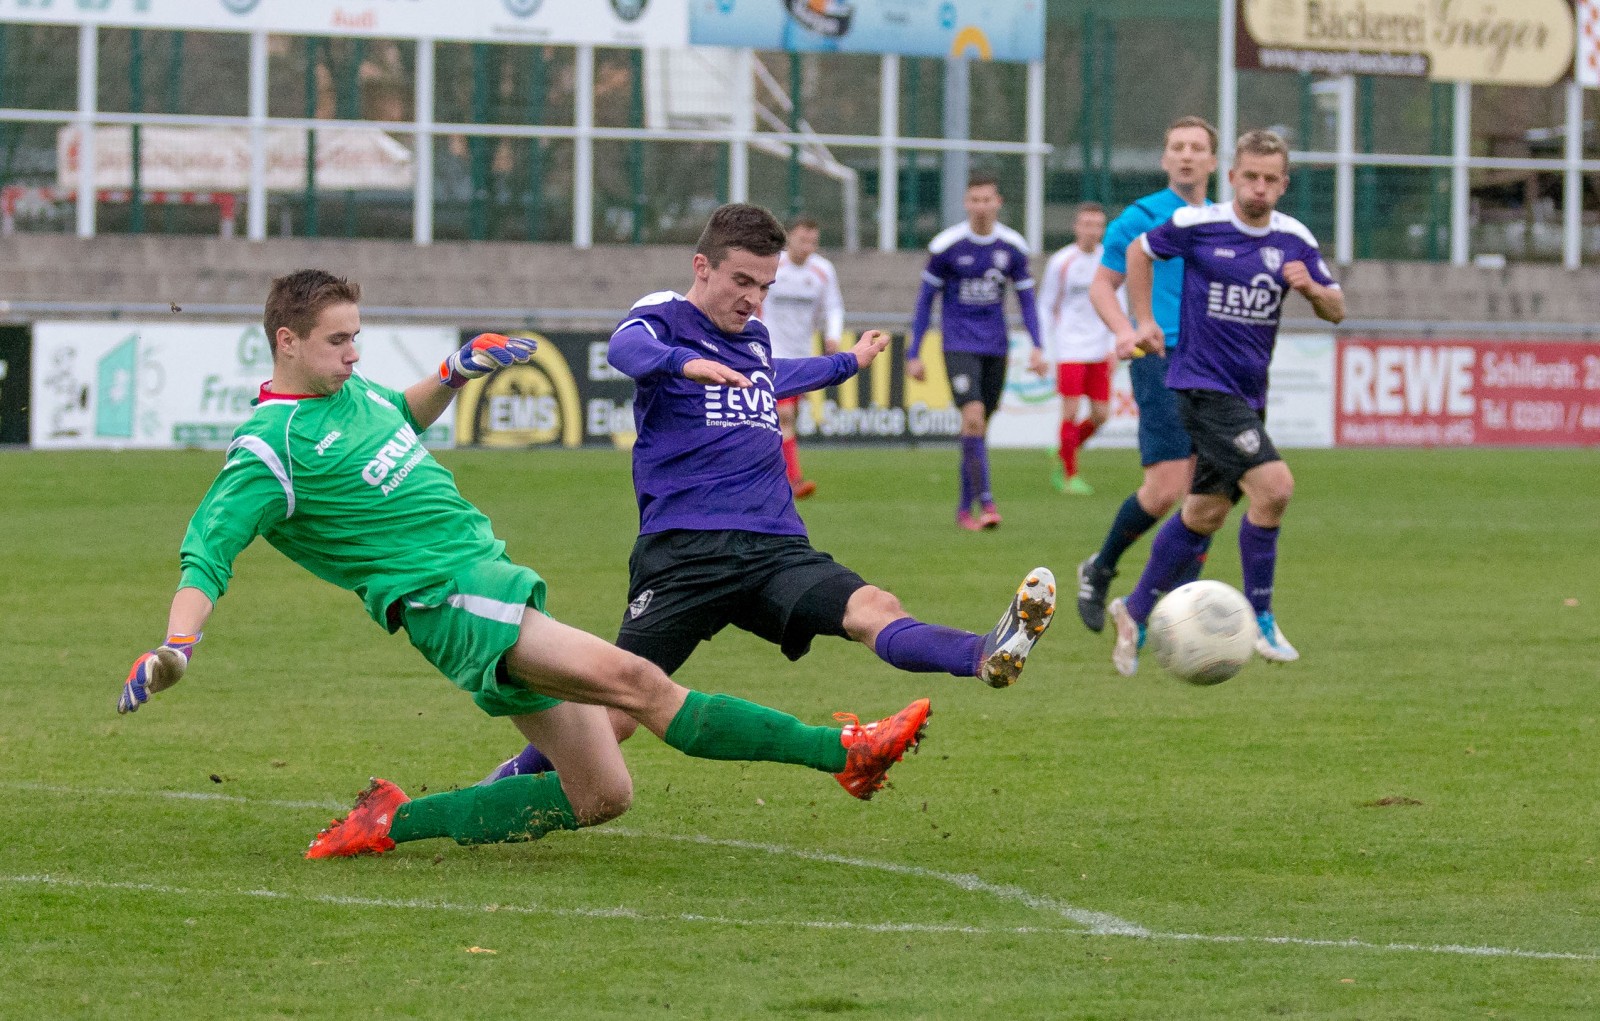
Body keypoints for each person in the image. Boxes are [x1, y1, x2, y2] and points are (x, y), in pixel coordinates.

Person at [116, 269, 936, 861]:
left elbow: (400, 416)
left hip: (488, 577)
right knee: (642, 684)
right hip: (452, 600)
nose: (354, 354)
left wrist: (453, 373)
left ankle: (389, 821)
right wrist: (176, 647)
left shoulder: (349, 395)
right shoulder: (267, 451)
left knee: (601, 796)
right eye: (337, 341)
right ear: (286, 342)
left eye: (358, 338)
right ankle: (846, 752)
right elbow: (207, 550)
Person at [481, 204, 1056, 785]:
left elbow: (775, 375)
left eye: (765, 286)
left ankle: (985, 654)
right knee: (618, 712)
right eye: (742, 282)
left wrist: (846, 362)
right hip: (687, 551)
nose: (754, 300)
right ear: (702, 266)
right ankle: (501, 784)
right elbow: (624, 351)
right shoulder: (664, 316)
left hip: (774, 545)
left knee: (875, 608)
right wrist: (688, 365)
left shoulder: (752, 338)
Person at [1108, 129, 1345, 676]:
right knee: (1276, 487)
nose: (1259, 188)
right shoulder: (1199, 224)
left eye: (1270, 180)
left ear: (1283, 185)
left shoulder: (1294, 239)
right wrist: (1143, 321)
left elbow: (1337, 309)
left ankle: (1135, 609)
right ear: (1233, 176)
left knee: (1206, 511)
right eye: (1250, 177)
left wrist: (1310, 289)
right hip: (1198, 384)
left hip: (1246, 395)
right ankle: (1260, 615)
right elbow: (1138, 252)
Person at [1074, 116, 1219, 632]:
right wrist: (1125, 329)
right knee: (1163, 490)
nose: (1186, 155)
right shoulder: (1139, 217)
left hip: (1216, 364)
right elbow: (1101, 286)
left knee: (1210, 490)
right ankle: (1101, 566)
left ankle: (1178, 598)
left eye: (1196, 148)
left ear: (1213, 162)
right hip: (1160, 358)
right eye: (1176, 146)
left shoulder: (1225, 220)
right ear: (1164, 160)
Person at [907, 172, 1047, 531]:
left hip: (996, 346)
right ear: (966, 203)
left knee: (978, 429)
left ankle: (962, 510)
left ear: (998, 202)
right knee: (972, 418)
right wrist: (914, 351)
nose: (981, 207)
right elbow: (925, 303)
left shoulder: (1012, 247)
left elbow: (1027, 301)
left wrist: (1037, 346)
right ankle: (986, 503)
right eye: (975, 200)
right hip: (957, 344)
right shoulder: (946, 246)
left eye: (988, 200)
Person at [759, 214, 845, 500]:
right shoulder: (773, 265)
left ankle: (769, 476)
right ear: (789, 237)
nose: (807, 245)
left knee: (785, 419)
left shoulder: (822, 271)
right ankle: (793, 480)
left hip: (800, 356)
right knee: (782, 415)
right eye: (802, 239)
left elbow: (833, 307)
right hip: (769, 353)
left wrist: (832, 334)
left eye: (813, 241)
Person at [1038, 202, 1115, 496]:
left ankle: (1064, 449)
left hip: (1099, 346)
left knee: (1101, 415)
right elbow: (1046, 305)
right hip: (1070, 346)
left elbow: (1117, 300)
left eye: (1098, 225)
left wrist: (1112, 343)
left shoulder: (1109, 260)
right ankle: (1069, 476)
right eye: (1087, 224)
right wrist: (1044, 347)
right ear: (1076, 227)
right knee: (1069, 411)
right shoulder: (1062, 261)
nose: (1092, 230)